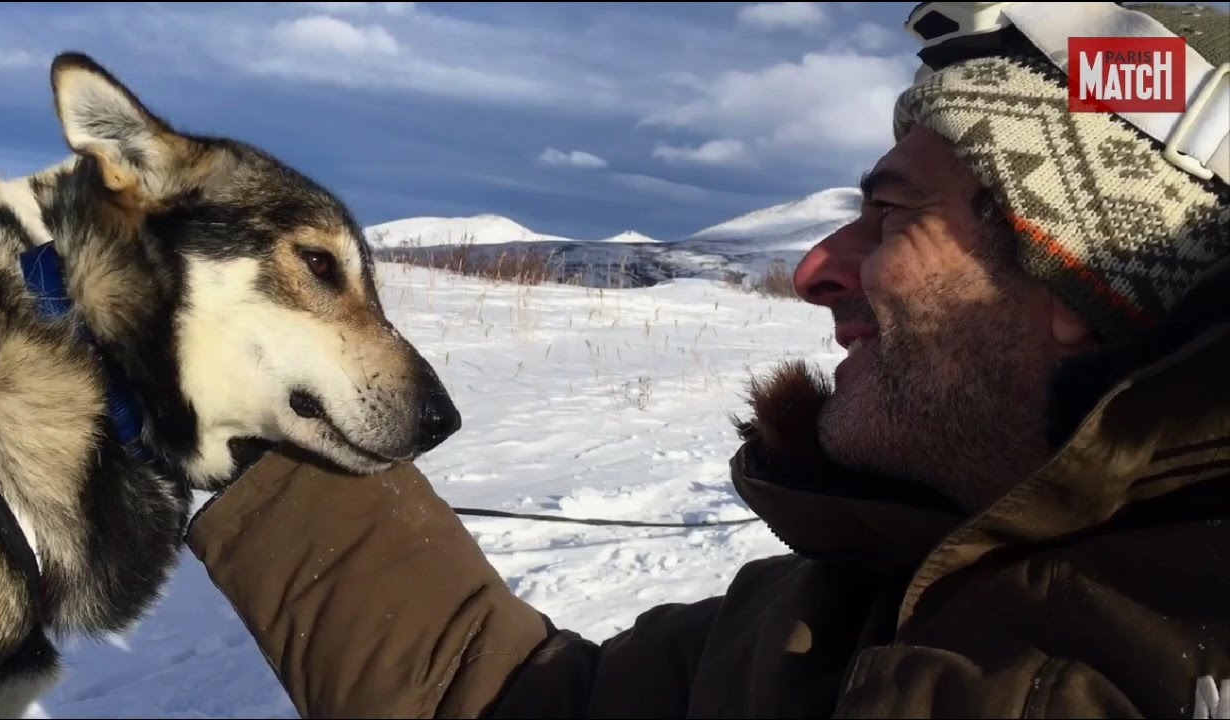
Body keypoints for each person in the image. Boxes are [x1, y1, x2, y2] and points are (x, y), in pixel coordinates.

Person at [186, 3, 1230, 718]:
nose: (815, 271)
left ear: (1076, 279)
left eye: (891, 216)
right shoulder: (831, 613)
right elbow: (499, 699)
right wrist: (263, 418)